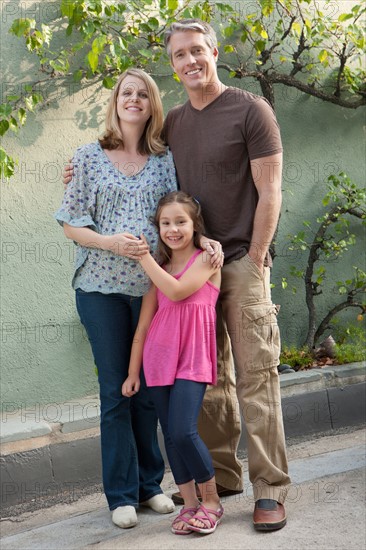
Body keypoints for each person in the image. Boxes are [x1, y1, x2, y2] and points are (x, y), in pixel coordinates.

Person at [62, 18, 291, 531]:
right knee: (207, 384)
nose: (189, 61)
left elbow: (271, 191)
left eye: (197, 51)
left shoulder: (252, 110)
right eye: (179, 55)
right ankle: (223, 478)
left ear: (214, 51)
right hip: (189, 274)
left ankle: (270, 490)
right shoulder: (178, 126)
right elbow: (128, 156)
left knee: (256, 379)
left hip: (238, 264)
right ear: (174, 65)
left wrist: (254, 259)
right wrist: (74, 168)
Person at [55, 68, 178, 529]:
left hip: (150, 290)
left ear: (151, 105)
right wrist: (112, 243)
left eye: (143, 94)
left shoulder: (165, 160)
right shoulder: (88, 156)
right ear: (116, 101)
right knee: (116, 392)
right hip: (101, 290)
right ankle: (121, 495)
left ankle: (150, 486)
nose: (134, 99)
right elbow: (70, 223)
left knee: (147, 392)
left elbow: (179, 213)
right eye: (127, 92)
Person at [122, 191, 224, 535]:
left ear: (195, 225)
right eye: (165, 223)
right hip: (157, 361)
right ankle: (190, 504)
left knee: (183, 430)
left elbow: (179, 291)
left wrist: (144, 258)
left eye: (180, 221)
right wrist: (134, 371)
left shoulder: (208, 259)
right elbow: (143, 326)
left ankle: (211, 501)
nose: (172, 229)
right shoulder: (161, 270)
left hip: (193, 358)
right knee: (171, 435)